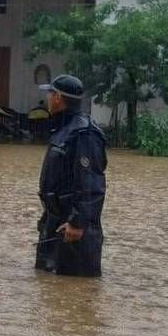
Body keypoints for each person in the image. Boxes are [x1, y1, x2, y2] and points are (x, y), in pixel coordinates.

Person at [34, 74, 107, 277]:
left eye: (50, 93)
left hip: (73, 230)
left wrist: (77, 222)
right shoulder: (63, 129)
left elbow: (91, 184)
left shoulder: (84, 134)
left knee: (75, 289)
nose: (47, 98)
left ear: (57, 97)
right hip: (55, 222)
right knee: (49, 292)